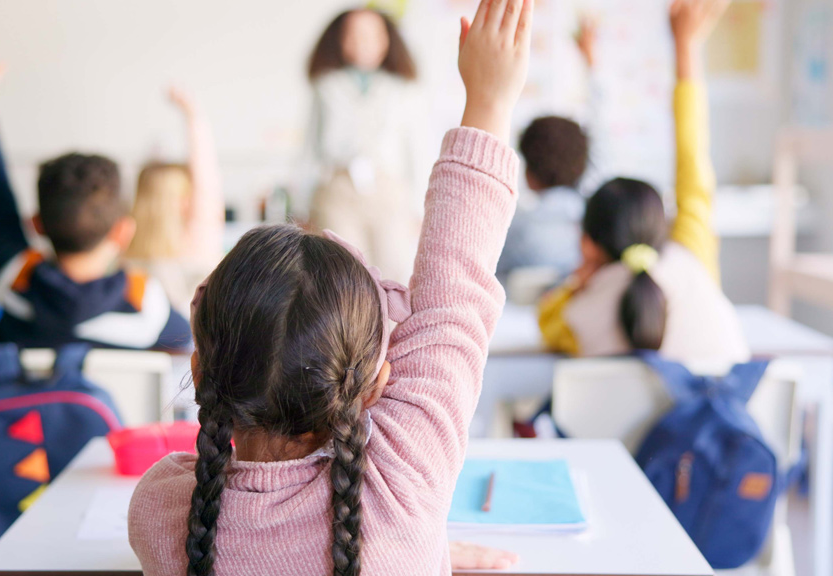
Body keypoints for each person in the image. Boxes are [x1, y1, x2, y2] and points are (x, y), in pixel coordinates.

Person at [127, 0, 532, 574]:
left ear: (200, 373)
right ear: (374, 384)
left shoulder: (164, 509)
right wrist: (489, 101)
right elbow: (452, 299)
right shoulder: (406, 491)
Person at [0, 29, 191, 351]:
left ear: (35, 225)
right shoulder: (148, 306)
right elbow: (187, 343)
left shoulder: (16, 280)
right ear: (122, 232)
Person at [537, 0, 748, 365]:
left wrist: (578, 283)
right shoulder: (691, 256)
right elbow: (693, 156)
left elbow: (544, 318)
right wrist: (687, 47)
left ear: (588, 244)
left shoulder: (574, 318)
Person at [299, 7, 428, 283]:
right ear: (339, 40)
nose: (362, 41)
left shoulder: (404, 89)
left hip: (389, 193)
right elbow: (308, 150)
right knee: (339, 273)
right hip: (337, 191)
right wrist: (300, 205)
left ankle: (392, 327)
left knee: (395, 269)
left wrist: (419, 207)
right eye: (353, 35)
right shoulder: (325, 86)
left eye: (371, 34)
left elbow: (416, 151)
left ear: (387, 41)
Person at [497, 18, 598, 284]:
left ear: (529, 171)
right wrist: (590, 62)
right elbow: (602, 127)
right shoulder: (595, 223)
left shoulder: (513, 230)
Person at [127, 87, 225, 314]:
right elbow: (207, 180)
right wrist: (193, 114)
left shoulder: (126, 250)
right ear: (182, 200)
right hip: (191, 346)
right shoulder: (197, 243)